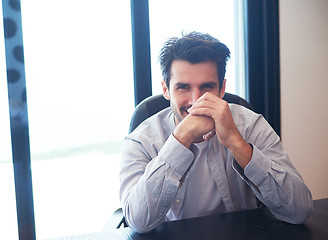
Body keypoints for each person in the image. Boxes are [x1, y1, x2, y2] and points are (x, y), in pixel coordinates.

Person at [119, 31, 313, 233]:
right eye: (183, 87)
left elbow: (299, 211)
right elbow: (138, 221)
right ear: (166, 90)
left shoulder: (250, 125)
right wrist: (181, 138)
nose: (195, 101)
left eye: (207, 87)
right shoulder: (141, 140)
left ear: (222, 89)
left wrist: (236, 142)